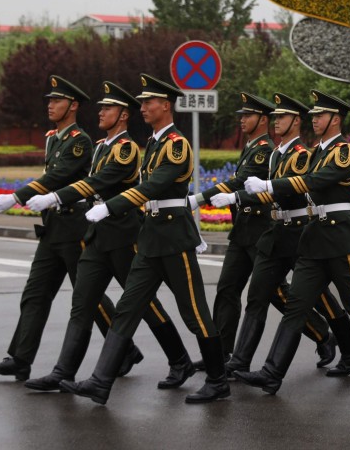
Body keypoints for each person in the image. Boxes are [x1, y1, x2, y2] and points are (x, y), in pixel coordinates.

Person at [61, 73, 229, 405]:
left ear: (165, 105)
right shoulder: (152, 143)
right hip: (150, 236)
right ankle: (100, 381)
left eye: (148, 102)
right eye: (142, 103)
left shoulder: (176, 144)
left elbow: (153, 187)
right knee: (127, 308)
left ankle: (218, 379)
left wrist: (110, 206)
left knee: (193, 312)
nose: (143, 108)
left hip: (174, 238)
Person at [23, 81, 194, 393]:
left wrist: (54, 198)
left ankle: (180, 359)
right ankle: (63, 372)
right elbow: (90, 182)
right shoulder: (102, 146)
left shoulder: (126, 148)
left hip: (124, 235)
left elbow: (100, 181)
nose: (101, 112)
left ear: (123, 115)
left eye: (108, 108)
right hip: (97, 235)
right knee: (82, 303)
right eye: (101, 107)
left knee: (144, 305)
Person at [237, 90, 350, 394]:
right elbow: (325, 191)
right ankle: (272, 373)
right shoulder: (315, 152)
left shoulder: (344, 152)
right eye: (313, 115)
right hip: (315, 239)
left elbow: (317, 182)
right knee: (296, 307)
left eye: (320, 115)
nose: (314, 119)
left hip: (339, 238)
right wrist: (245, 194)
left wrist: (268, 183)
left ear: (335, 119)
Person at [0, 75, 140, 382]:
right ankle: (20, 358)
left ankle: (125, 349)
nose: (50, 106)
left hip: (74, 227)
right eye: (50, 101)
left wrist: (17, 196)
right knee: (35, 293)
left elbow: (57, 177)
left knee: (89, 296)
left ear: (73, 106)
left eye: (56, 101)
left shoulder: (80, 141)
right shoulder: (53, 137)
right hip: (53, 227)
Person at [219, 93, 350, 377]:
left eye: (281, 118)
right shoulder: (275, 155)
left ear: (295, 121)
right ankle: (239, 361)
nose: (275, 122)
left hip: (299, 233)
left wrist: (243, 195)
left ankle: (349, 350)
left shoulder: (302, 155)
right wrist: (243, 197)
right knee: (257, 296)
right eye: (274, 118)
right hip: (276, 232)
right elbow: (269, 194)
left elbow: (297, 189)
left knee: (321, 297)